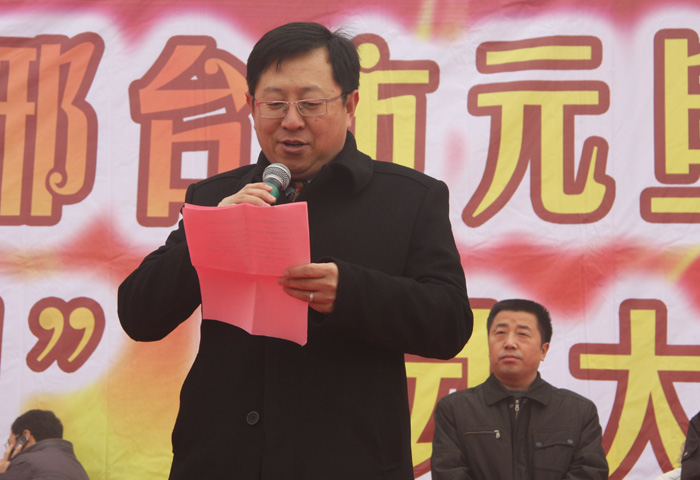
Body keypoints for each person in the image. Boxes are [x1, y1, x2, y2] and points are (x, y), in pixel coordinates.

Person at [118, 21, 473, 479]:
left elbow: (450, 323)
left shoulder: (408, 198)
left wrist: (351, 292)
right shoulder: (216, 197)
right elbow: (139, 314)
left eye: (310, 103)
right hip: (220, 460)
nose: (291, 120)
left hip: (348, 463)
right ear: (251, 106)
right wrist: (212, 235)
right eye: (274, 104)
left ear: (350, 105)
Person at [431, 299, 608, 479]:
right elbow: (448, 473)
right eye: (500, 333)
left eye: (522, 334)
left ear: (543, 350)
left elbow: (589, 473)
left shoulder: (578, 412)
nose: (509, 343)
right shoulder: (455, 410)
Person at [0, 409, 89, 479]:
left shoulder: (25, 462)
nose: (9, 449)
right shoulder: (77, 468)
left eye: (10, 442)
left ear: (25, 436)